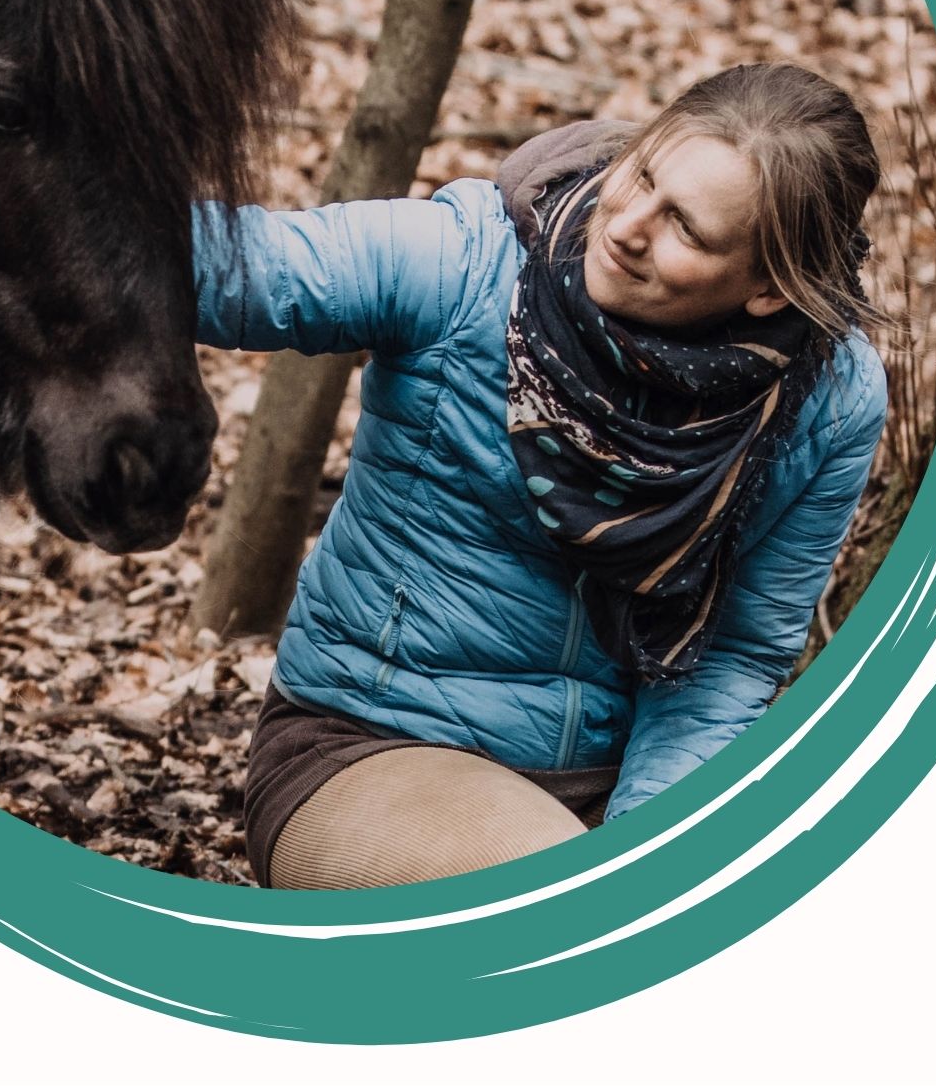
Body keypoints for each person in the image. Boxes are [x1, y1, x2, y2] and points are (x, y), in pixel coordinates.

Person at [192, 63, 890, 889]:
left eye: (686, 230)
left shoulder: (825, 398)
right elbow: (243, 270)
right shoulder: (470, 260)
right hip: (374, 745)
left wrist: (652, 853)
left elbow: (730, 656)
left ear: (769, 288)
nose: (626, 224)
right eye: (640, 174)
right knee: (564, 904)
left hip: (615, 784)